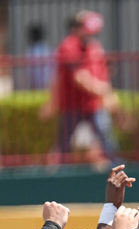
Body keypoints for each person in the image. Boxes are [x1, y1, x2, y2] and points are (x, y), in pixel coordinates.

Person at [50, 11, 120, 164]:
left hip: (93, 105)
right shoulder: (68, 46)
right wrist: (102, 90)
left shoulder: (94, 47)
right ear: (77, 28)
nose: (91, 34)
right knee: (64, 143)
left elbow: (103, 74)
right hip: (72, 105)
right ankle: (57, 172)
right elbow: (79, 77)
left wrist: (108, 94)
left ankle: (117, 167)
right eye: (87, 30)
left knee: (106, 137)